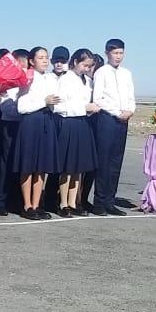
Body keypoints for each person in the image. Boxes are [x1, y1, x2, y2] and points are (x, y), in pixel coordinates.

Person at [14, 46, 60, 219]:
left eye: (46, 57)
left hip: (47, 121)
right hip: (31, 122)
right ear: (32, 61)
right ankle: (27, 205)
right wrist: (44, 101)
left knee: (41, 167)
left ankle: (36, 204)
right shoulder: (27, 77)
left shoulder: (50, 79)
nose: (45, 61)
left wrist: (53, 104)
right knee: (28, 166)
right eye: (40, 58)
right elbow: (22, 107)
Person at [90, 38, 135, 215]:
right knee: (104, 161)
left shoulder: (126, 73)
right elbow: (98, 99)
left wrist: (130, 110)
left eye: (121, 53)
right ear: (107, 53)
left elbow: (130, 96)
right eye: (115, 53)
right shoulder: (101, 72)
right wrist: (117, 112)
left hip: (123, 120)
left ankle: (110, 200)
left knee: (116, 161)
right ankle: (99, 202)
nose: (118, 56)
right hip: (107, 119)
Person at [55, 49, 99, 217]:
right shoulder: (65, 79)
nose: (86, 69)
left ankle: (73, 202)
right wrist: (83, 108)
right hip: (69, 123)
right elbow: (59, 106)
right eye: (84, 65)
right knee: (68, 167)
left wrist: (90, 110)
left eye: (89, 66)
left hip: (83, 124)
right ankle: (63, 202)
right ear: (75, 62)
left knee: (78, 167)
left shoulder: (88, 81)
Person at [0, 49, 29, 215]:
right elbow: (7, 106)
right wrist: (1, 100)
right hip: (9, 123)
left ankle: (15, 200)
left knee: (20, 165)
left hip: (24, 126)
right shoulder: (9, 79)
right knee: (5, 164)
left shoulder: (30, 79)